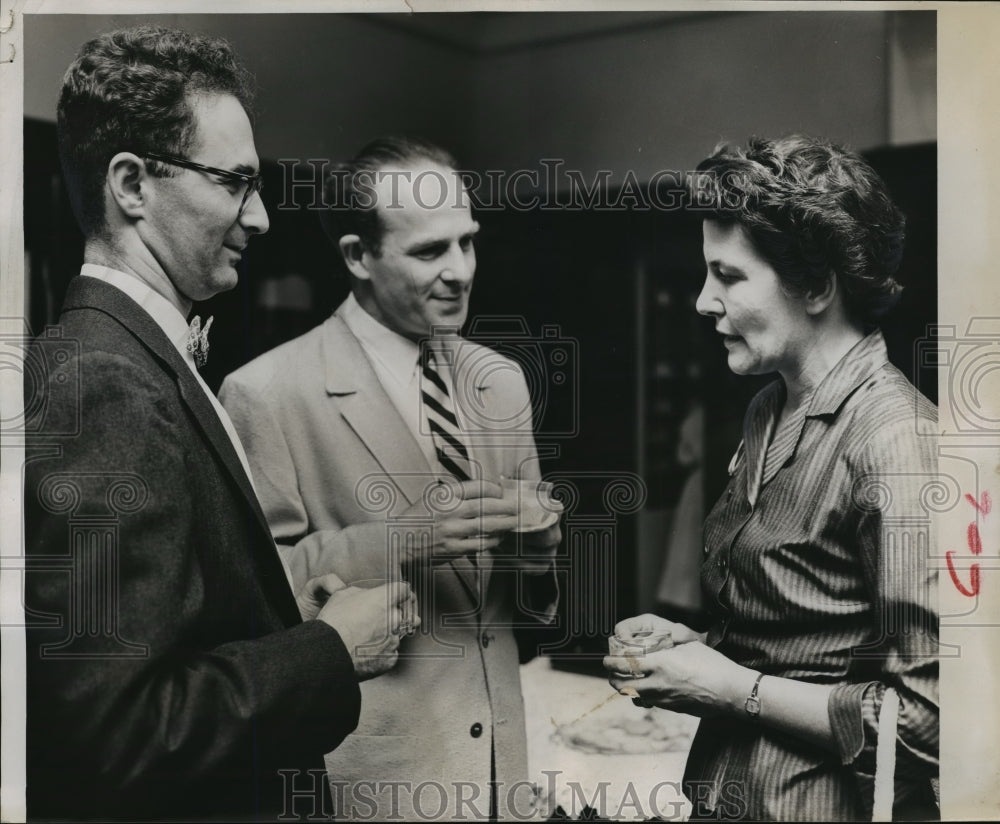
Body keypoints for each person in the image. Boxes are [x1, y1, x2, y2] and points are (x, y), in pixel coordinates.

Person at [24, 27, 414, 822]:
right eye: (236, 183)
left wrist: (280, 616)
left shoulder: (124, 358)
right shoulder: (106, 382)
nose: (263, 217)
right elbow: (119, 733)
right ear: (132, 185)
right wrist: (332, 651)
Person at [220, 136, 561, 821]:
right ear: (357, 257)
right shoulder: (267, 392)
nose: (461, 271)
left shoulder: (501, 382)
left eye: (467, 242)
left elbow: (515, 607)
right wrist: (398, 542)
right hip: (376, 779)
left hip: (502, 774)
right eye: (431, 251)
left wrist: (539, 551)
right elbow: (250, 603)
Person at [605, 135, 939, 821]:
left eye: (727, 276)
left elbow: (933, 728)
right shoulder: (767, 408)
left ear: (817, 285)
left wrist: (732, 689)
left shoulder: (898, 441)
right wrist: (691, 655)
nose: (701, 300)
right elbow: (802, 646)